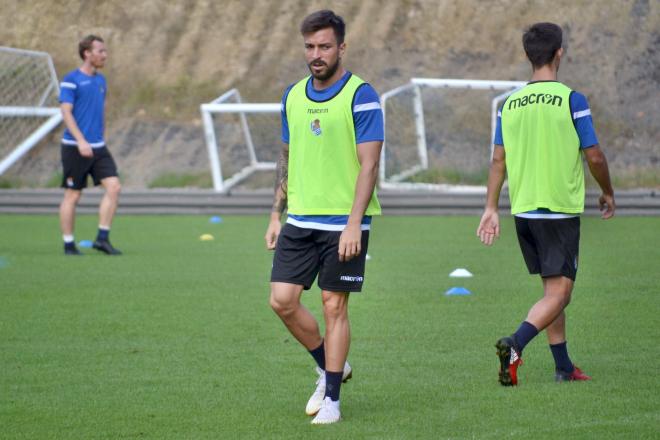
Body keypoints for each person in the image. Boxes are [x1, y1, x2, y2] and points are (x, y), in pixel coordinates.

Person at [476, 22, 615, 386]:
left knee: (552, 291)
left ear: (527, 56)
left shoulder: (510, 104)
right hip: (558, 209)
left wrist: (491, 207)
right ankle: (516, 343)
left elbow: (497, 161)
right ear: (559, 53)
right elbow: (595, 156)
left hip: (523, 210)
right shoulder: (571, 100)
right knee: (562, 293)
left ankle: (564, 367)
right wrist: (608, 191)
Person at [264, 10, 383, 424]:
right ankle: (330, 365)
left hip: (344, 222)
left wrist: (354, 222)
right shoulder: (292, 95)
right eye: (310, 47)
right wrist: (276, 214)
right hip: (299, 219)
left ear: (341, 48)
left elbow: (369, 166)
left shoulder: (361, 95)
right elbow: (287, 157)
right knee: (281, 301)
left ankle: (332, 398)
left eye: (325, 46)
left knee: (334, 305)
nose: (316, 54)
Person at [59, 35, 121, 255]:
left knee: (114, 187)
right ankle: (68, 244)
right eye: (101, 51)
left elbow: (100, 110)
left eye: (105, 51)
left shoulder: (101, 80)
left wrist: (99, 136)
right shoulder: (71, 80)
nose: (105, 55)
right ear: (88, 53)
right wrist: (81, 141)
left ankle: (102, 239)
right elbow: (66, 112)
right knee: (73, 195)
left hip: (98, 146)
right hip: (75, 146)